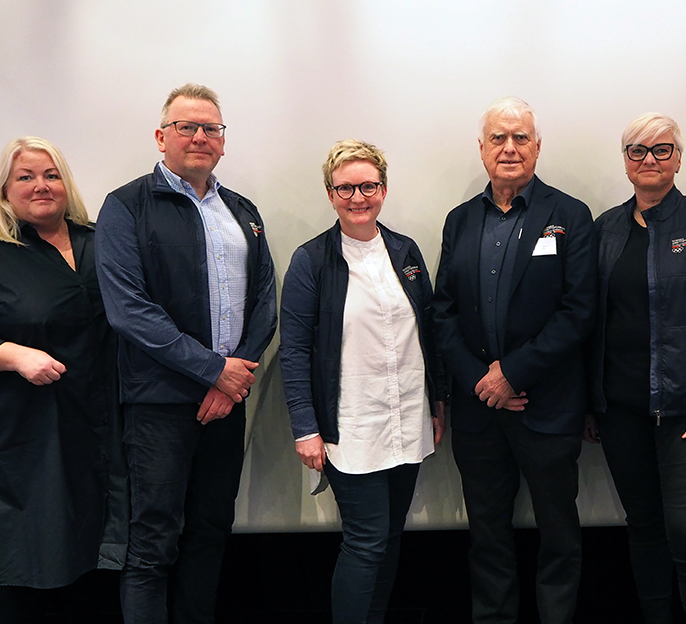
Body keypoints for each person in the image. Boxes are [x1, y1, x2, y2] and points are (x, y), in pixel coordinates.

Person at [95, 83, 277, 624]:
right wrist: (214, 371)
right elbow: (129, 310)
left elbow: (265, 300)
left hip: (226, 403)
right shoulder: (126, 206)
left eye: (211, 129)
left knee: (209, 533)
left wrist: (233, 379)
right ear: (161, 137)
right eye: (186, 127)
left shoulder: (242, 211)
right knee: (152, 543)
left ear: (223, 141)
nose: (200, 137)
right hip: (159, 405)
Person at [432, 96, 597, 624]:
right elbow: (443, 312)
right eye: (498, 138)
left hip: (547, 407)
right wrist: (482, 380)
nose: (509, 148)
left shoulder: (570, 215)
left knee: (558, 534)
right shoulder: (460, 221)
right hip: (480, 412)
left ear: (537, 147)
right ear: (481, 150)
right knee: (486, 534)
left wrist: (514, 373)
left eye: (520, 137)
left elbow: (579, 311)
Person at [0, 137, 126, 623]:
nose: (41, 186)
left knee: (100, 565)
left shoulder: (100, 242)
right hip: (24, 436)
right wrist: (13, 355)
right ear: (5, 191)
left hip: (100, 430)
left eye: (51, 175)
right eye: (25, 177)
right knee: (31, 561)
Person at [585, 113, 686, 624]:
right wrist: (594, 400)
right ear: (626, 161)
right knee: (645, 529)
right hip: (621, 414)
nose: (649, 160)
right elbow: (591, 320)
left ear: (678, 158)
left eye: (661, 150)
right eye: (637, 150)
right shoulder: (605, 229)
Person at [279, 139, 447, 624]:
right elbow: (294, 351)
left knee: (391, 535)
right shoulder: (312, 261)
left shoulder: (405, 250)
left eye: (368, 186)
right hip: (350, 426)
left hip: (408, 415)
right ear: (330, 194)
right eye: (346, 188)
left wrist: (439, 402)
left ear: (384, 189)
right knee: (367, 539)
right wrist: (305, 428)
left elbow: (428, 331)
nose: (358, 197)